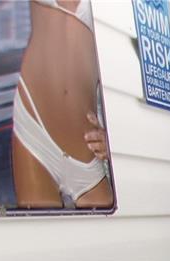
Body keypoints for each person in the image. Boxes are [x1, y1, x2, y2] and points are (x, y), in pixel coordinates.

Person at [12, 0, 112, 209]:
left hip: (88, 148)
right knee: (38, 238)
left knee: (114, 237)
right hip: (34, 130)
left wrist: (116, 139)